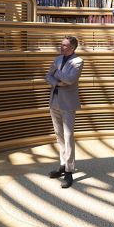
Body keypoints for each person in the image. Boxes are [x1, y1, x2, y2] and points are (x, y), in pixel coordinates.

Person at [44, 35, 83, 188]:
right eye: (61, 44)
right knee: (59, 136)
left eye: (65, 45)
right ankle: (62, 165)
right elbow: (48, 75)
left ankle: (69, 170)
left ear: (72, 48)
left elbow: (70, 80)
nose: (62, 47)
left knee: (68, 136)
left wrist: (57, 74)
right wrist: (58, 82)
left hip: (68, 104)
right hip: (54, 101)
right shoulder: (58, 58)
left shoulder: (78, 61)